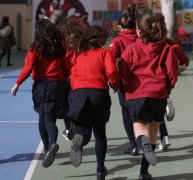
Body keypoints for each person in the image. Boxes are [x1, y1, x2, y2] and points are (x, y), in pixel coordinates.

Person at [118, 14, 179, 180]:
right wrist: (167, 88)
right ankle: (143, 172)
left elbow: (122, 69)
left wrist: (123, 87)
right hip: (158, 94)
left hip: (136, 94)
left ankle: (142, 142)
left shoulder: (131, 48)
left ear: (138, 31)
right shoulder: (166, 48)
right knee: (153, 133)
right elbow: (173, 71)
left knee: (139, 128)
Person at [11, 19, 68, 168]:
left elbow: (28, 67)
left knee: (43, 118)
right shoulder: (59, 47)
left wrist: (18, 83)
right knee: (50, 118)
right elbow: (66, 67)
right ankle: (51, 146)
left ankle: (49, 146)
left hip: (42, 86)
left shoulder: (35, 47)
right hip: (58, 85)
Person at [66, 25, 119, 180]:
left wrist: (75, 94)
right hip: (98, 94)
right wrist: (115, 84)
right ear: (101, 39)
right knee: (100, 133)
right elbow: (111, 71)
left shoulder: (79, 55)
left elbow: (73, 76)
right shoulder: (104, 53)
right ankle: (100, 170)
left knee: (83, 129)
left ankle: (78, 141)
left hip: (80, 94)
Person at [108, 3, 139, 156]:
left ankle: (134, 145)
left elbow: (109, 60)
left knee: (126, 112)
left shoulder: (118, 41)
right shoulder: (141, 37)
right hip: (144, 80)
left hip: (126, 82)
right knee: (142, 113)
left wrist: (112, 80)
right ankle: (145, 141)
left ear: (120, 27)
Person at [58, 17, 88, 141]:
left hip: (66, 77)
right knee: (77, 104)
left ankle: (68, 128)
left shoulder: (62, 44)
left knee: (66, 105)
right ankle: (75, 127)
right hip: (79, 78)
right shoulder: (81, 42)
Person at [158, 37, 190, 151]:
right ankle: (164, 136)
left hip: (148, 84)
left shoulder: (140, 45)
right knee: (157, 112)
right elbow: (185, 60)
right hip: (163, 83)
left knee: (149, 115)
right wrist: (182, 67)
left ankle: (161, 137)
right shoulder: (171, 46)